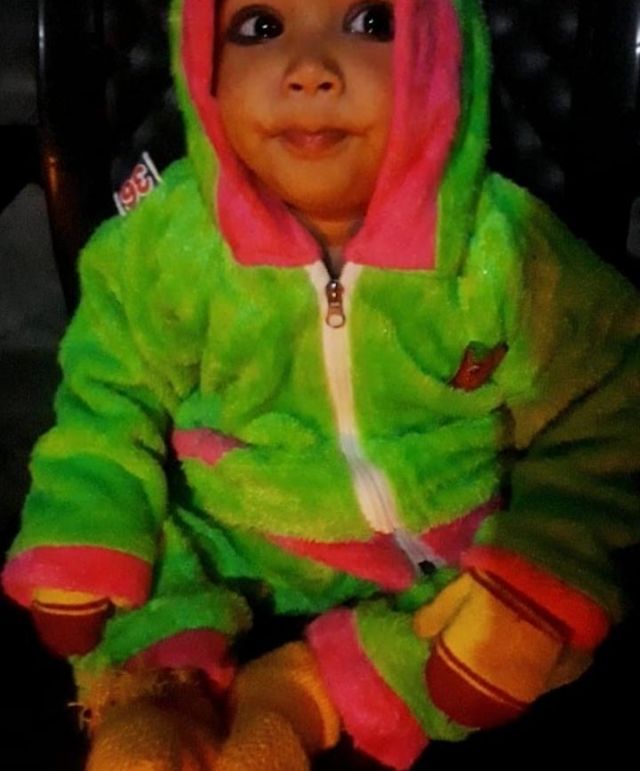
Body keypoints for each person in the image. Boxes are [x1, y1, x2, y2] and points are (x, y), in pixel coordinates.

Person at [3, 0, 640, 769]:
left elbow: (610, 397)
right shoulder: (165, 243)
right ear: (204, 66)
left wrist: (548, 545)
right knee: (142, 553)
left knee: (532, 628)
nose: (310, 71)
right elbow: (108, 391)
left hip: (443, 545)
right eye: (260, 27)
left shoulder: (505, 249)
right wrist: (86, 513)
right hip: (234, 526)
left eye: (371, 22)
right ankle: (160, 694)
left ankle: (305, 696)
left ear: (440, 52)